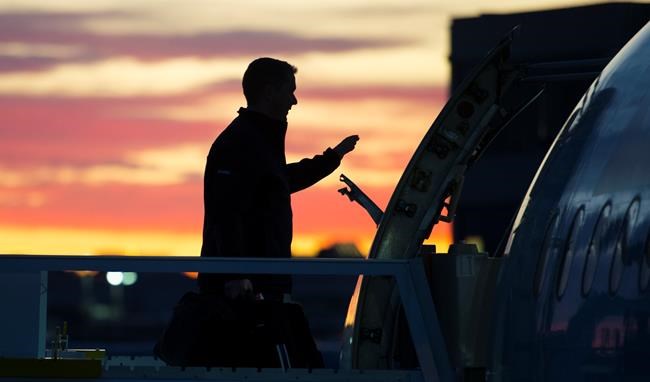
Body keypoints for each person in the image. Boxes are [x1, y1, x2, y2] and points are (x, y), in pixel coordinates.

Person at [196, 57, 358, 366]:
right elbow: (226, 213)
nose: (294, 100)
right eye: (290, 91)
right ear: (270, 92)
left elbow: (278, 182)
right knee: (283, 365)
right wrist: (236, 275)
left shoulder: (255, 140)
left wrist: (332, 158)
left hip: (262, 284)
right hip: (245, 292)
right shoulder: (241, 142)